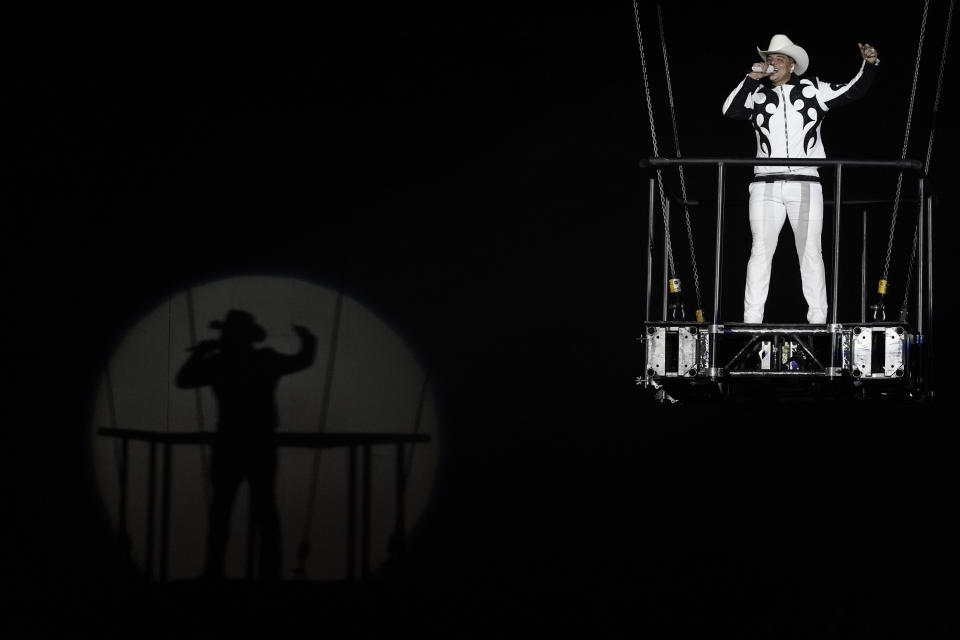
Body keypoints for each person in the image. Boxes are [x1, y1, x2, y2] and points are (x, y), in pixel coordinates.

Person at [722, 34, 879, 324]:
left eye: (779, 59)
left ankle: (818, 321)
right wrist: (751, 78)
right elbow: (729, 110)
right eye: (770, 58)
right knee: (759, 252)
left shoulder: (812, 89)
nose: (773, 62)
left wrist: (869, 64)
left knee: (810, 251)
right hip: (765, 184)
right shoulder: (756, 95)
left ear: (792, 65)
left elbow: (851, 92)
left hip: (805, 181)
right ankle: (751, 323)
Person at [176, 309, 317, 580]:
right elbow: (304, 360)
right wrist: (308, 339)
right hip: (260, 442)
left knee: (223, 510)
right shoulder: (264, 360)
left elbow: (184, 380)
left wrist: (199, 354)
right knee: (264, 508)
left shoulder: (219, 363)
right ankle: (269, 573)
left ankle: (214, 571)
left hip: (229, 443)